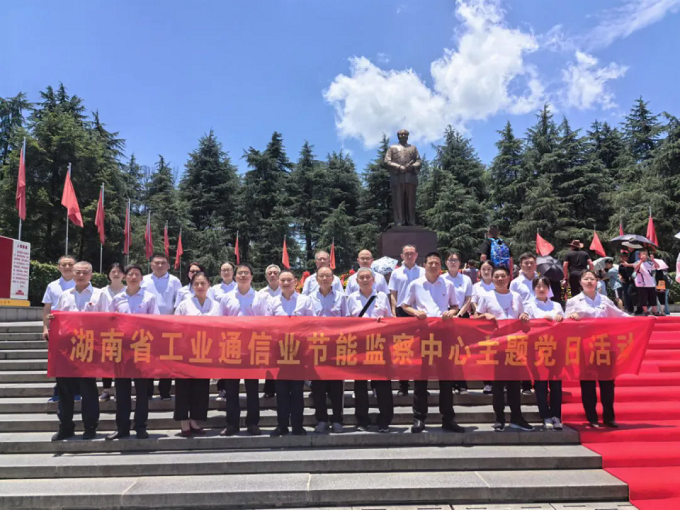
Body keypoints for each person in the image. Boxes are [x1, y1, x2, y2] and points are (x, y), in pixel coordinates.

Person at [401, 252, 463, 434]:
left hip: (444, 333)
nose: (434, 266)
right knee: (421, 378)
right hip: (423, 333)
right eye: (430, 263)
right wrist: (415, 312)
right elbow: (405, 305)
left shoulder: (448, 284)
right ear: (424, 265)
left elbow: (455, 306)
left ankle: (448, 418)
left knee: (446, 378)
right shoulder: (416, 284)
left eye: (436, 263)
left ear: (440, 265)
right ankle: (419, 418)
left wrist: (451, 312)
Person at [50, 261, 111, 441]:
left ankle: (90, 426)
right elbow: (58, 317)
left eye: (85, 272)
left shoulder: (100, 295)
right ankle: (66, 426)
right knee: (65, 389)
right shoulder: (65, 295)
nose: (80, 275)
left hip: (89, 348)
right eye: (77, 272)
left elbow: (107, 320)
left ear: (91, 275)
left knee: (88, 389)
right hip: (67, 349)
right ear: (73, 274)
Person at [566, 269, 630, 428]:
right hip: (585, 347)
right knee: (588, 384)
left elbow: (619, 315)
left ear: (597, 282)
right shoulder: (574, 301)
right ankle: (592, 417)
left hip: (605, 346)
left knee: (607, 383)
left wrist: (640, 320)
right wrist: (571, 318)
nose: (589, 282)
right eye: (586, 279)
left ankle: (609, 417)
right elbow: (565, 323)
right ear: (580, 282)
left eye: (592, 279)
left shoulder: (605, 300)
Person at [474, 266, 533, 432]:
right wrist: (484, 316)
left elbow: (522, 317)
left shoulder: (516, 296)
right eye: (496, 276)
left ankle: (517, 417)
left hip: (514, 345)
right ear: (492, 279)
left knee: (514, 384)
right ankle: (499, 418)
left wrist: (524, 317)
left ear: (508, 278)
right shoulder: (486, 296)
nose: (500, 279)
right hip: (495, 346)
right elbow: (476, 318)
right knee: (498, 385)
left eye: (503, 276)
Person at [107, 264, 160, 440]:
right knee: (121, 391)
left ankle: (140, 426)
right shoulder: (117, 298)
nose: (133, 277)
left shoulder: (149, 298)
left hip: (142, 348)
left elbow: (155, 321)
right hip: (121, 349)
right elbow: (109, 321)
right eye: (130, 274)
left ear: (142, 278)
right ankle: (122, 427)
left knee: (142, 391)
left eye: (137, 274)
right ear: (125, 277)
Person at [218, 263, 270, 436]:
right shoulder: (226, 298)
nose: (242, 275)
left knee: (252, 389)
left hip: (252, 348)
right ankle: (232, 424)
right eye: (239, 273)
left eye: (246, 273)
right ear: (235, 277)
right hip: (231, 347)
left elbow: (265, 322)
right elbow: (220, 322)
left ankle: (253, 423)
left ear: (251, 276)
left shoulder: (260, 297)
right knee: (231, 389)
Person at [346, 267, 394, 432]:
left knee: (383, 384)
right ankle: (362, 420)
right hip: (359, 346)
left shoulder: (382, 296)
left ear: (373, 280)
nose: (365, 280)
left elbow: (390, 320)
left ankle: (385, 420)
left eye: (368, 277)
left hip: (379, 345)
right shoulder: (351, 298)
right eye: (362, 278)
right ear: (357, 281)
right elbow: (347, 322)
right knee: (360, 385)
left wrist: (383, 320)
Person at [268, 270, 316, 436]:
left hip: (299, 351)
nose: (286, 283)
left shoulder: (305, 300)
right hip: (279, 351)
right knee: (281, 391)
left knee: (297, 391)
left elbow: (311, 323)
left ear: (295, 281)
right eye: (283, 280)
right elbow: (267, 325)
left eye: (289, 280)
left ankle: (297, 425)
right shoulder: (272, 301)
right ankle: (282, 425)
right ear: (278, 282)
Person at [174, 271, 217, 436]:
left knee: (201, 388)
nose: (199, 286)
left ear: (209, 285)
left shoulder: (216, 305)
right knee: (183, 387)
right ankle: (183, 421)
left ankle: (195, 419)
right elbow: (176, 326)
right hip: (186, 351)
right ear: (192, 286)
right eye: (196, 284)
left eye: (203, 283)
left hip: (205, 351)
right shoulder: (184, 305)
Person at [520, 276, 565, 431]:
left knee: (556, 384)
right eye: (538, 286)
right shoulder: (529, 306)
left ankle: (556, 416)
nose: (541, 289)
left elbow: (564, 323)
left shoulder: (556, 305)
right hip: (537, 349)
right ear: (534, 289)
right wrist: (525, 318)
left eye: (544, 286)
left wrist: (559, 318)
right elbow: (525, 322)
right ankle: (545, 416)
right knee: (540, 385)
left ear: (548, 288)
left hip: (555, 348)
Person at [309, 266, 347, 433]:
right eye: (321, 276)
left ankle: (337, 419)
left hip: (335, 347)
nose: (324, 279)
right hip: (316, 347)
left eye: (327, 276)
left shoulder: (341, 297)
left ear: (333, 279)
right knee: (318, 387)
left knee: (336, 387)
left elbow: (347, 321)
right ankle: (322, 420)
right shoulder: (309, 298)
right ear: (317, 279)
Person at [141, 253, 181, 400]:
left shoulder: (174, 281)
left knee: (166, 359)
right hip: (148, 327)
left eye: (163, 263)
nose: (159, 265)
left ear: (168, 265)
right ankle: (147, 391)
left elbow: (178, 303)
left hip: (168, 326)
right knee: (148, 359)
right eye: (156, 263)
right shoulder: (144, 280)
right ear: (151, 265)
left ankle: (165, 391)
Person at [388, 244, 425, 397]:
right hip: (401, 312)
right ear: (402, 256)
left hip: (420, 312)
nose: (409, 256)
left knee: (420, 350)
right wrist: (393, 312)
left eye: (412, 253)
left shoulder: (423, 272)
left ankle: (420, 387)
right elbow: (393, 294)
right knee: (403, 350)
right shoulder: (396, 273)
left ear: (416, 255)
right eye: (406, 253)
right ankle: (403, 385)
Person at [42, 255, 76, 403]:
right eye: (64, 264)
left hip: (77, 328)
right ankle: (59, 391)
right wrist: (45, 327)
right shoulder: (52, 285)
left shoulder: (81, 283)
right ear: (58, 267)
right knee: (59, 359)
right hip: (58, 328)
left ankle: (76, 390)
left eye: (70, 264)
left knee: (76, 358)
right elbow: (47, 307)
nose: (67, 267)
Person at [443, 251, 473, 394]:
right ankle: (449, 383)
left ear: (460, 263)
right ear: (446, 263)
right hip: (445, 317)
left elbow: (468, 299)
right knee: (447, 351)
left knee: (461, 351)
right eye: (450, 260)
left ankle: (462, 384)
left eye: (455, 260)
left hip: (461, 317)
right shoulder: (441, 279)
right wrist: (450, 314)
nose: (453, 262)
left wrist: (459, 314)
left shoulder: (466, 279)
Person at [99, 263, 126, 402]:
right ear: (108, 274)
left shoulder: (129, 290)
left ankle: (120, 390)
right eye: (113, 271)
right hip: (106, 331)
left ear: (123, 275)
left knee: (122, 362)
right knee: (107, 361)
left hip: (125, 333)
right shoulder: (101, 292)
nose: (116, 274)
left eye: (119, 272)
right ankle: (106, 389)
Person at [471, 259, 495, 395]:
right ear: (480, 272)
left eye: (489, 269)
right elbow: (473, 302)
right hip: (482, 322)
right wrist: (479, 312)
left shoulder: (498, 283)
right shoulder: (476, 286)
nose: (486, 272)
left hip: (497, 322)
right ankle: (487, 383)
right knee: (486, 353)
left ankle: (500, 382)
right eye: (484, 269)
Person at [258, 264, 281, 399]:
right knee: (269, 361)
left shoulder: (286, 289)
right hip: (267, 332)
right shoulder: (261, 293)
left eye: (275, 273)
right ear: (266, 276)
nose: (272, 275)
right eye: (269, 273)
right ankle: (269, 389)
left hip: (283, 332)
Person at [634, 249, 660, 316]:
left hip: (651, 284)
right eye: (642, 254)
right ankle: (646, 311)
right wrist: (641, 261)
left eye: (645, 254)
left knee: (653, 299)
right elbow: (635, 269)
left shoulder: (649, 263)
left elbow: (657, 266)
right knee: (643, 299)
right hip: (642, 284)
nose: (644, 256)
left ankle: (655, 311)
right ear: (639, 255)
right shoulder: (637, 262)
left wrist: (653, 260)